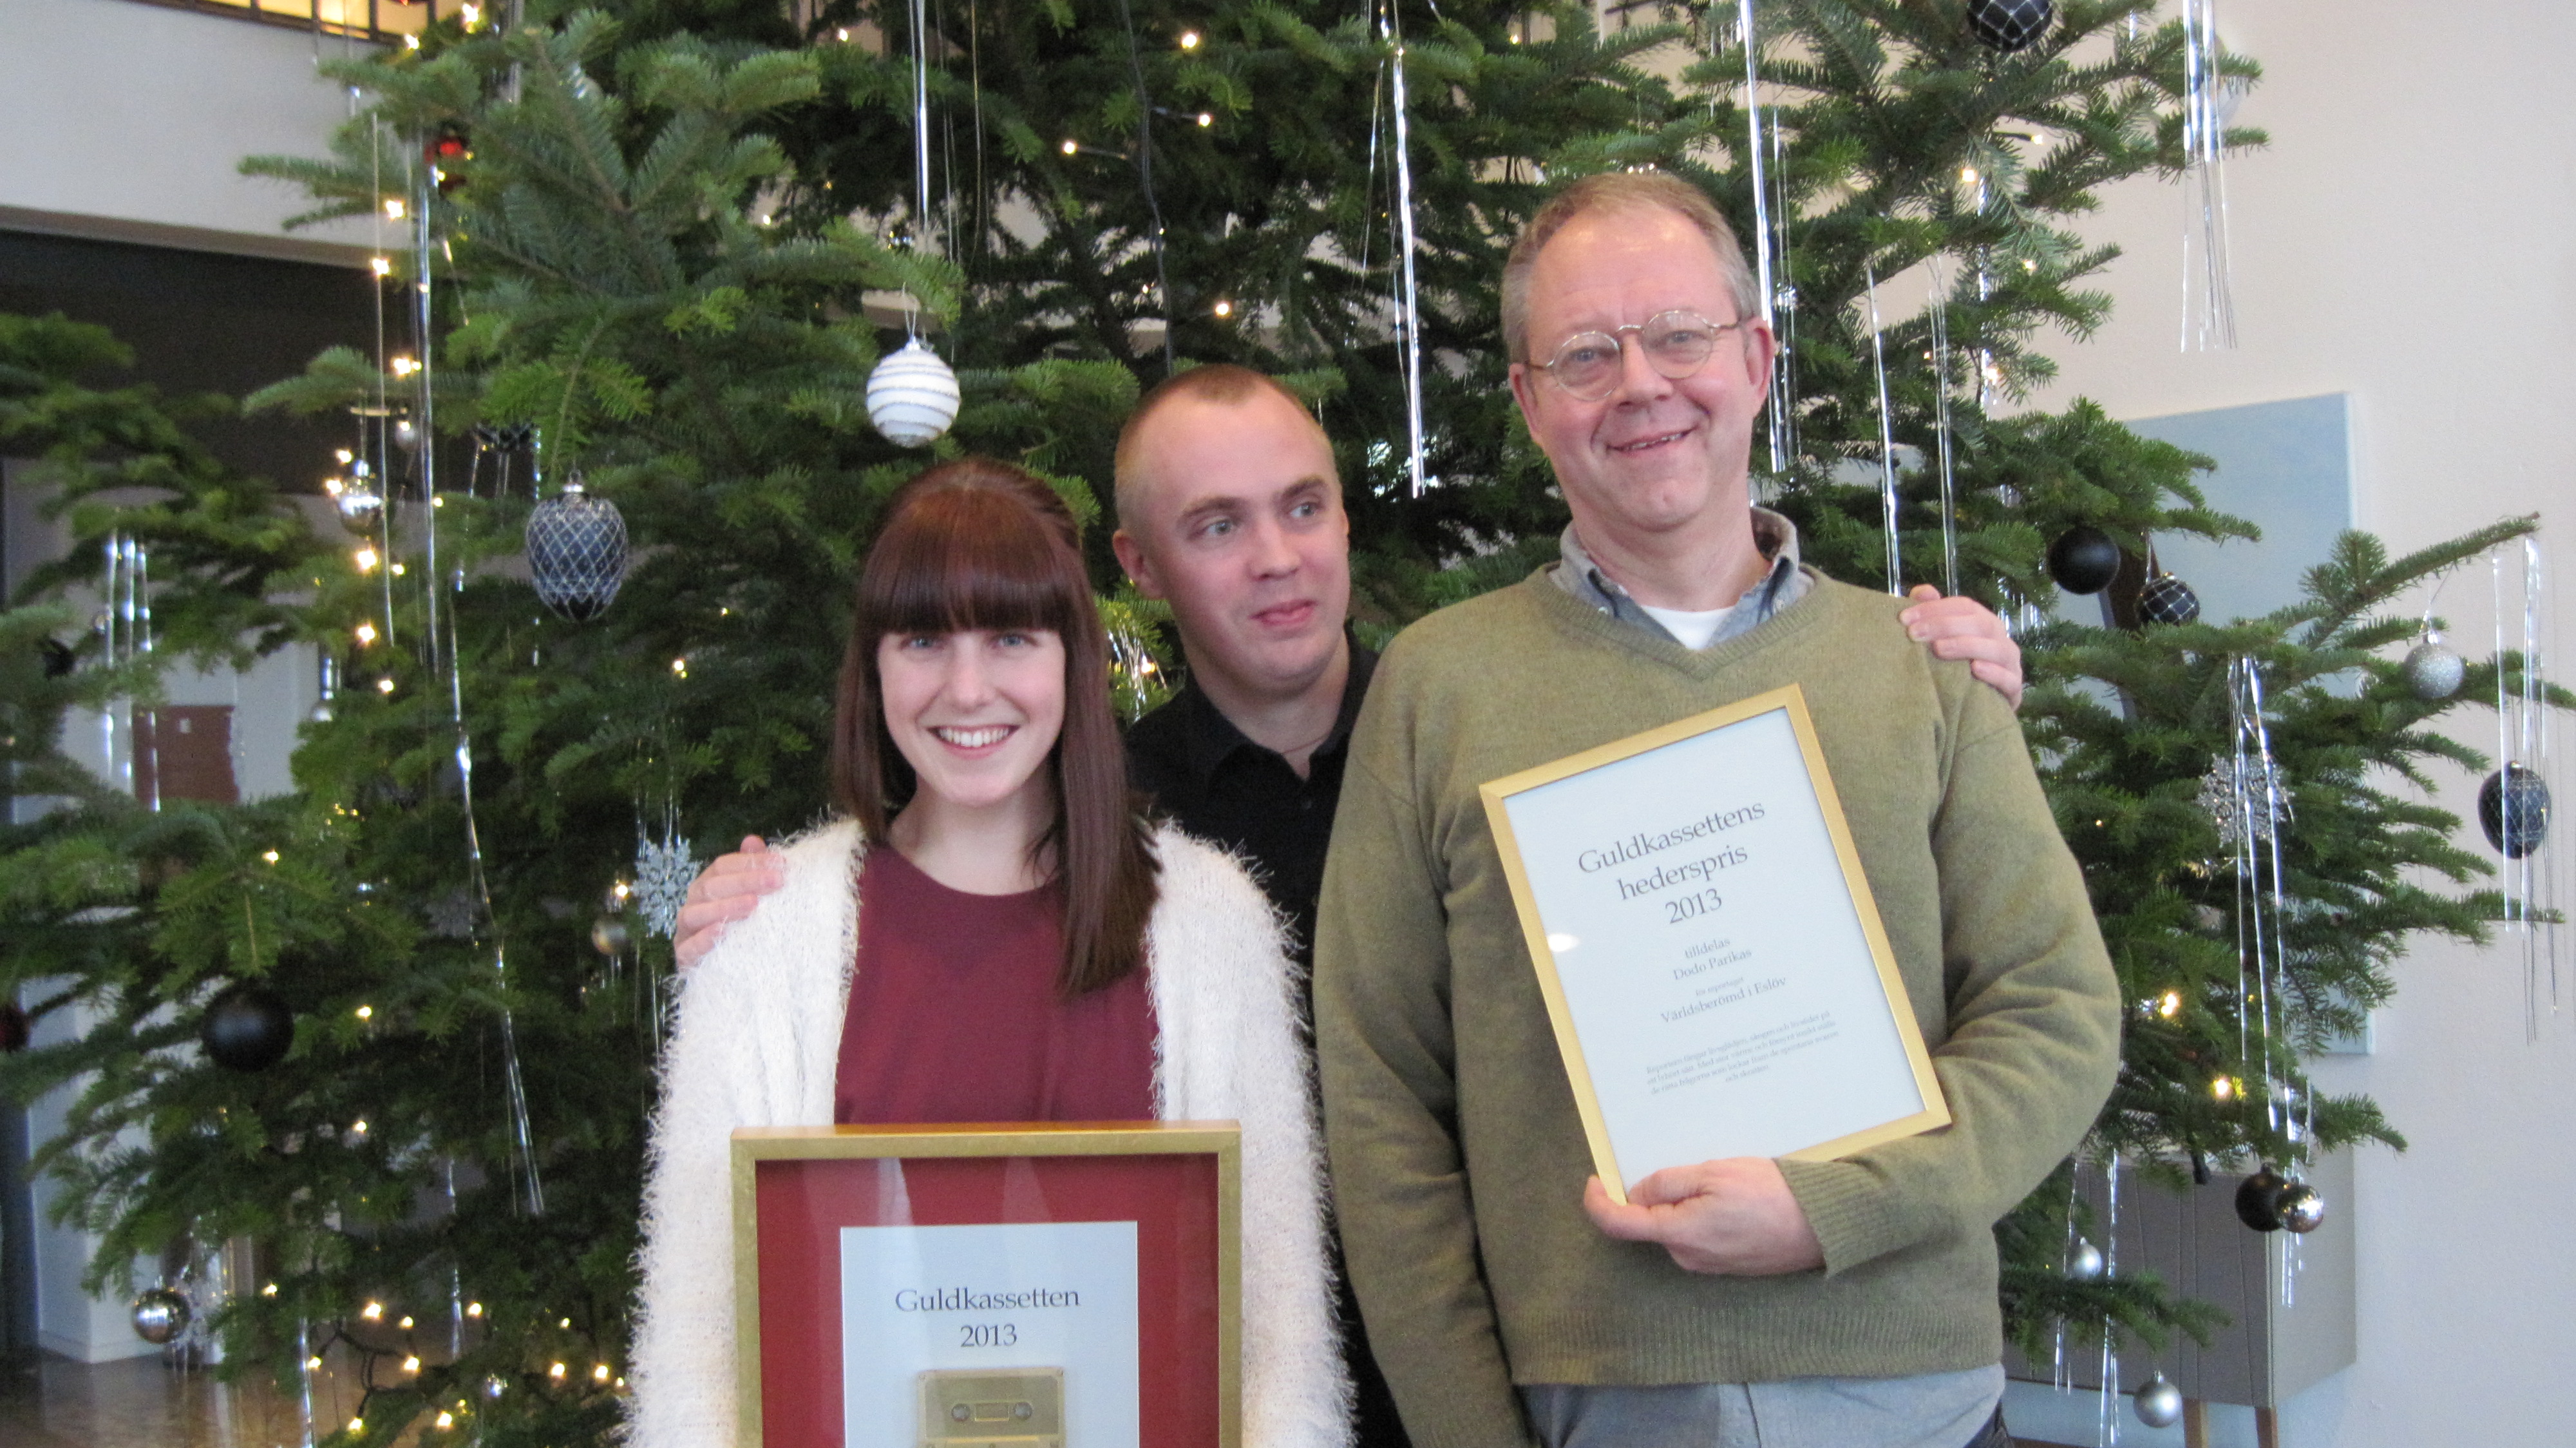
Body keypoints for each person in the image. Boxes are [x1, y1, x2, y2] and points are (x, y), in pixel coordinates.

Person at [669, 367, 2034, 1448]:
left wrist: (1925, 672)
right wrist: (766, 908)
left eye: (1302, 505)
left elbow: (1724, 816)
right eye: (1216, 525)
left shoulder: (1487, 720)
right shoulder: (1113, 818)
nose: (1275, 557)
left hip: (1518, 1354)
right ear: (1140, 574)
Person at [1311, 171, 2121, 1448]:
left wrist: (1836, 1204)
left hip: (1911, 1388)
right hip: (1588, 1402)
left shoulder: (1915, 669)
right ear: (1529, 402)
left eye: (1678, 335)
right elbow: (1379, 1096)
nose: (1639, 381)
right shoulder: (1437, 686)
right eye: (1584, 352)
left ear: (1752, 360)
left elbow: (2056, 1014)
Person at [627, 459, 1350, 1448]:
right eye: (924, 640)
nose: (968, 691)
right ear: (873, 666)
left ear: (1074, 660)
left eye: (1012, 637)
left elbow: (1276, 1353)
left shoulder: (1213, 927)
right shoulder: (763, 940)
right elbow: (699, 1363)